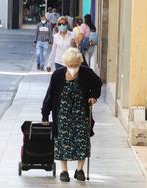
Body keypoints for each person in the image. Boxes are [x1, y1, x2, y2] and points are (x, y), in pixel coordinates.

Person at [42, 47, 102, 182]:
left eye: (75, 65)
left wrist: (93, 96)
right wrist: (45, 114)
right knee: (62, 142)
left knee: (82, 142)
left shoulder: (87, 73)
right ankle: (64, 171)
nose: (73, 68)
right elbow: (50, 96)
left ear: (80, 63)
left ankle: (79, 170)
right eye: (70, 65)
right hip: (62, 115)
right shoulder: (57, 75)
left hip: (81, 115)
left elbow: (98, 83)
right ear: (65, 64)